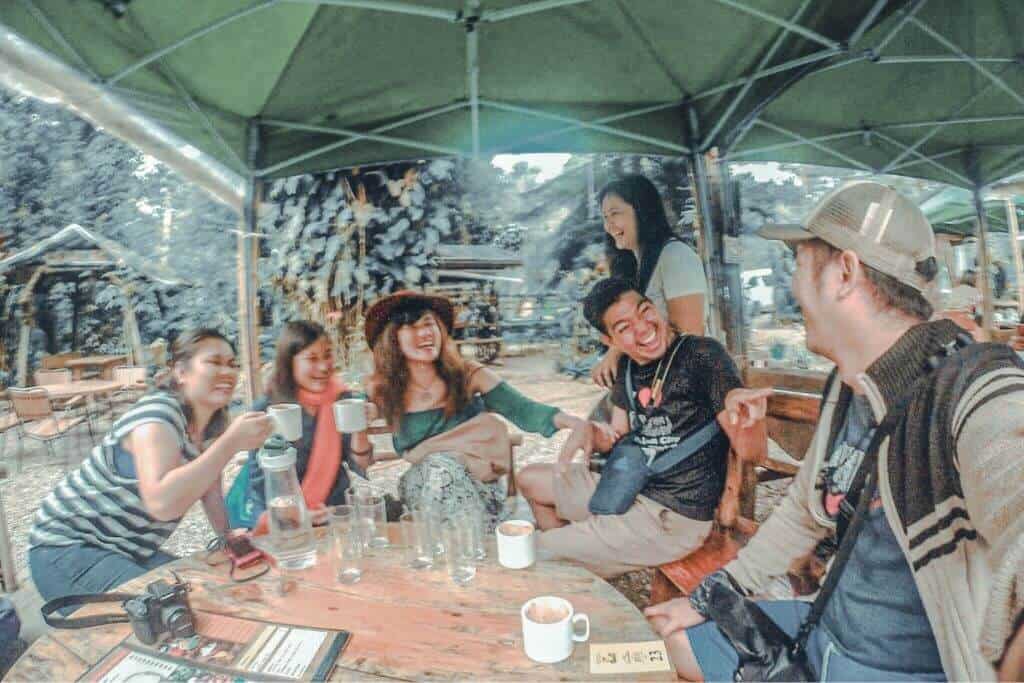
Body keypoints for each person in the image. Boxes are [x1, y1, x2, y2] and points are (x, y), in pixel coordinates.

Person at [646, 181, 1024, 682]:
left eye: (800, 263)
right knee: (679, 644)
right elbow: (805, 511)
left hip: (891, 669)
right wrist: (717, 594)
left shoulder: (972, 390)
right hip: (824, 629)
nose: (792, 287)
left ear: (844, 272)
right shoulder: (849, 381)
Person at [517, 277, 752, 578]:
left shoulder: (701, 355)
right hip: (628, 488)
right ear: (609, 341)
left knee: (533, 549)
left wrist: (745, 412)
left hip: (672, 517)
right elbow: (617, 437)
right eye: (624, 327)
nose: (643, 328)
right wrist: (592, 432)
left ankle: (577, 560)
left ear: (655, 307)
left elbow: (747, 444)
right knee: (529, 479)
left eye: (644, 311)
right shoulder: (626, 368)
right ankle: (584, 572)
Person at [28, 329, 274, 602]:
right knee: (179, 610)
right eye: (214, 362)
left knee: (216, 589)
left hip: (127, 551)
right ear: (181, 372)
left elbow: (210, 488)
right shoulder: (157, 415)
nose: (227, 372)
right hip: (65, 549)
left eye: (231, 364)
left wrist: (228, 536)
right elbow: (162, 503)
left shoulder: (210, 426)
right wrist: (229, 444)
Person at [364, 291, 594, 532]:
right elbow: (353, 424)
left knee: (443, 472)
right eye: (411, 327)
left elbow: (521, 409)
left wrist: (571, 421)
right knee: (439, 470)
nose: (424, 333)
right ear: (393, 339)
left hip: (478, 484)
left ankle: (470, 541)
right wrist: (364, 413)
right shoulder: (383, 389)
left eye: (428, 324)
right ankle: (477, 542)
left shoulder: (468, 374)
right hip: (424, 484)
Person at [226, 321, 375, 531]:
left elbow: (361, 464)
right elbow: (260, 483)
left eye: (327, 355)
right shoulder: (269, 409)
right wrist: (298, 515)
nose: (324, 366)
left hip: (333, 512)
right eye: (312, 358)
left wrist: (360, 427)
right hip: (282, 518)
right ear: (290, 362)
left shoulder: (342, 399)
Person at [590, 175, 710, 389]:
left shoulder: (675, 256)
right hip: (650, 383)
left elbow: (689, 337)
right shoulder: (633, 265)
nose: (609, 225)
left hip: (685, 387)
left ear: (642, 211)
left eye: (615, 213)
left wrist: (616, 353)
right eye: (605, 217)